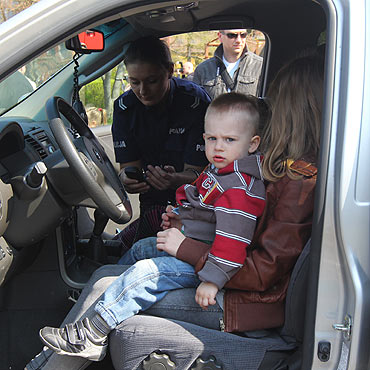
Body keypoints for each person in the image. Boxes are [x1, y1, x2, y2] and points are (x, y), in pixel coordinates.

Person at [25, 52, 323, 370]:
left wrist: (187, 248)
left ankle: (64, 354)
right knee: (111, 273)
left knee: (106, 286)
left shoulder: (298, 181)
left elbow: (261, 272)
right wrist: (188, 223)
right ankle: (48, 361)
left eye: (274, 104)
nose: (268, 109)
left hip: (242, 301)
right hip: (227, 277)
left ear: (292, 112)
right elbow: (230, 222)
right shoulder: (271, 164)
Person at [37, 93, 266, 361]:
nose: (218, 147)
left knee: (145, 273)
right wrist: (180, 218)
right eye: (212, 138)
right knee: (142, 248)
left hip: (207, 266)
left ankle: (94, 332)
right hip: (195, 246)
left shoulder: (238, 189)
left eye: (229, 140)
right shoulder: (221, 169)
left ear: (252, 144)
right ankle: (114, 295)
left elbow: (232, 244)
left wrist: (213, 281)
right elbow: (204, 208)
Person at [112, 36, 210, 253]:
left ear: (170, 71)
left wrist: (174, 180)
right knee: (122, 249)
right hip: (150, 205)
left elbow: (202, 175)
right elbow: (128, 169)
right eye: (134, 82)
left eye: (152, 81)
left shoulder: (195, 103)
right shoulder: (124, 109)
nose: (143, 91)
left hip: (192, 206)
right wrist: (128, 181)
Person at [193, 29, 263, 99]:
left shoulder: (260, 66)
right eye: (232, 35)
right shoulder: (203, 69)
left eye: (243, 35)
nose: (238, 40)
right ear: (220, 36)